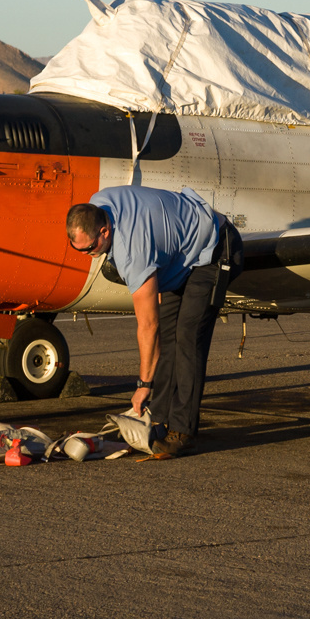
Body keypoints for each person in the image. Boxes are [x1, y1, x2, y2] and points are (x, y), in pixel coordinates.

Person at [66, 186, 243, 459]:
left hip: (217, 249)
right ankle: (158, 419)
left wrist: (143, 385)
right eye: (77, 248)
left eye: (90, 248)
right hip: (183, 258)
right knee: (170, 333)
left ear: (104, 231)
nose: (87, 254)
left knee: (187, 336)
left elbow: (148, 326)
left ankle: (183, 432)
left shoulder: (132, 251)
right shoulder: (97, 204)